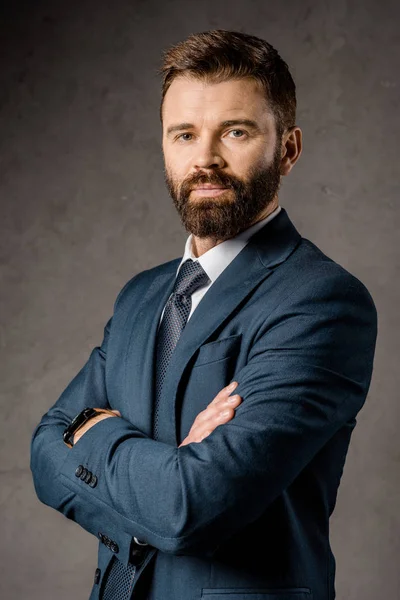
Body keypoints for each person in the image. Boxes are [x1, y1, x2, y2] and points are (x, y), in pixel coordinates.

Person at [30, 29, 378, 600]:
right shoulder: (140, 297)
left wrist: (96, 433)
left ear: (287, 149)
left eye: (235, 132)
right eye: (184, 134)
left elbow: (189, 507)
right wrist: (165, 474)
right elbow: (45, 451)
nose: (205, 159)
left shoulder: (322, 302)